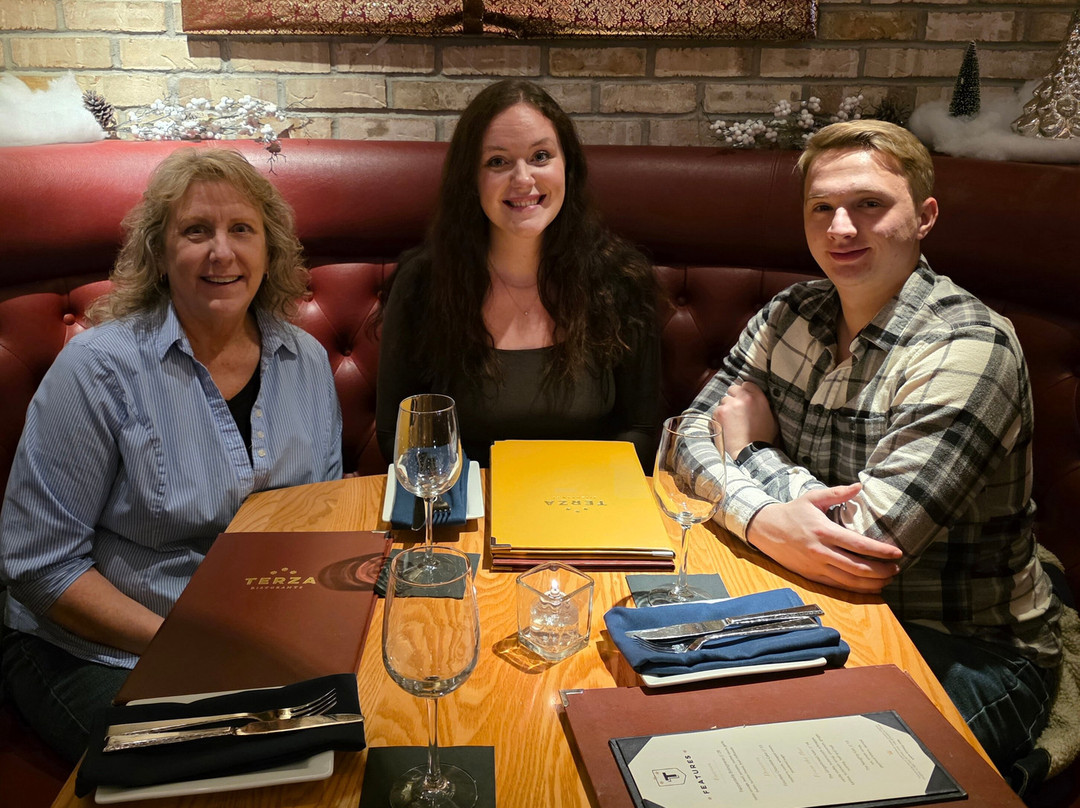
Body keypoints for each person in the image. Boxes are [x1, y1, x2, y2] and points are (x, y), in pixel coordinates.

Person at [682, 120, 1063, 791]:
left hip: (965, 646)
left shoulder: (968, 347)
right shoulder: (787, 314)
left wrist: (750, 450)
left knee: (786, 776)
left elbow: (864, 549)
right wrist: (770, 518)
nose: (840, 228)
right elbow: (684, 434)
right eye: (821, 207)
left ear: (925, 217)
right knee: (681, 721)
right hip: (807, 604)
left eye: (868, 204)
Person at [0, 148, 343, 763]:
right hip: (94, 649)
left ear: (270, 250)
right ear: (158, 253)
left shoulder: (307, 361)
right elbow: (40, 566)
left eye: (242, 229)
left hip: (254, 639)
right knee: (221, 767)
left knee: (348, 744)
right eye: (196, 231)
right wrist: (189, 646)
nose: (222, 252)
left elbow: (320, 523)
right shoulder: (98, 369)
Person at [375, 79, 661, 470]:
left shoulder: (621, 280)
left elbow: (640, 430)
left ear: (567, 167)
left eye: (540, 156)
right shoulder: (424, 283)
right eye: (498, 161)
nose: (523, 179)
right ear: (470, 179)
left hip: (585, 499)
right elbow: (397, 434)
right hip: (466, 499)